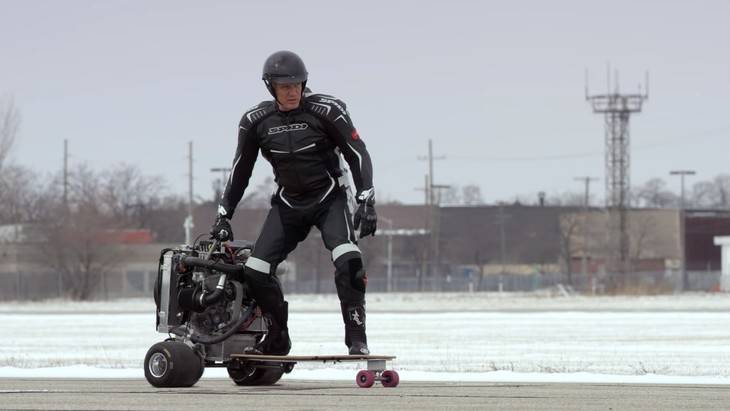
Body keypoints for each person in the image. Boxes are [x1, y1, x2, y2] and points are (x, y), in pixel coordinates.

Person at [210, 50, 377, 356]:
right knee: (256, 271)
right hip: (288, 203)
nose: (292, 92)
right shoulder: (256, 121)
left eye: (297, 85)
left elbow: (357, 153)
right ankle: (277, 338)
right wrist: (224, 214)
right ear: (270, 87)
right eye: (284, 86)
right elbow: (240, 170)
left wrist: (367, 198)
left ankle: (357, 338)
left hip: (329, 198)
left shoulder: (328, 110)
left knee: (349, 260)